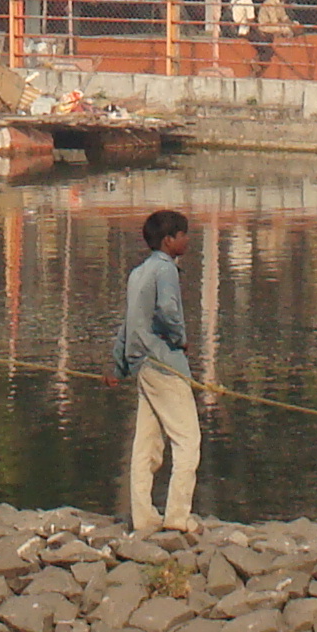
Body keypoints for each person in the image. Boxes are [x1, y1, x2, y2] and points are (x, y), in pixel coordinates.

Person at [116, 208, 199, 537]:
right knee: (188, 441)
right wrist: (181, 338)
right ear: (169, 241)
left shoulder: (138, 273)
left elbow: (128, 322)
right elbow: (167, 310)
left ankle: (143, 517)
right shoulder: (166, 270)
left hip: (142, 365)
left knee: (147, 444)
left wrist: (119, 365)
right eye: (183, 235)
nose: (187, 240)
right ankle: (178, 517)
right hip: (165, 365)